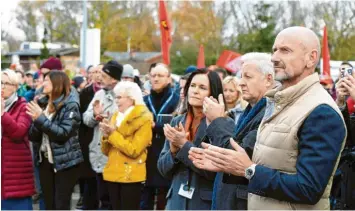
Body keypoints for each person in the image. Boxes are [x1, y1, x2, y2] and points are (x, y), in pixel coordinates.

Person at [191, 26, 347, 210]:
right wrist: (225, 163)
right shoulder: (279, 102)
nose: (274, 57)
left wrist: (248, 170)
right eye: (274, 50)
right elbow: (265, 163)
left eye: (285, 50)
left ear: (311, 58)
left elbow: (309, 189)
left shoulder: (321, 111)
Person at [189, 53, 275, 210]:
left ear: (268, 79)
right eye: (241, 77)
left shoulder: (269, 114)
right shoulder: (252, 110)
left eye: (248, 77)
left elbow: (235, 154)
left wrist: (217, 120)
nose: (241, 83)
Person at [157, 69, 225, 210]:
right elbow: (163, 169)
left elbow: (213, 171)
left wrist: (183, 145)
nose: (195, 91)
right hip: (175, 201)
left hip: (202, 204)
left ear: (213, 93)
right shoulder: (178, 120)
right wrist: (173, 151)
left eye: (202, 88)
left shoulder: (221, 124)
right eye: (192, 86)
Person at [27, 71, 84, 210]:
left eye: (46, 80)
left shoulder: (71, 105)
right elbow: (32, 136)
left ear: (57, 83)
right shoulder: (43, 103)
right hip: (45, 161)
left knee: (61, 205)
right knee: (48, 204)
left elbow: (62, 134)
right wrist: (37, 120)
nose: (42, 83)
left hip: (65, 163)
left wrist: (40, 119)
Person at [99, 81, 153, 210]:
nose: (116, 101)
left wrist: (112, 134)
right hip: (113, 173)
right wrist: (106, 135)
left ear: (132, 98)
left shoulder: (144, 118)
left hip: (131, 175)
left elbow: (134, 150)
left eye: (119, 97)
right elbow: (106, 151)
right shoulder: (116, 116)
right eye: (115, 97)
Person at [83, 60, 123, 210]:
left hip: (117, 155)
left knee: (116, 202)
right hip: (99, 154)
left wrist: (108, 119)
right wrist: (94, 115)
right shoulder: (99, 94)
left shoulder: (124, 95)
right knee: (104, 199)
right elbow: (86, 119)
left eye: (104, 75)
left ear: (113, 78)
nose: (99, 78)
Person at [140, 63, 180, 210]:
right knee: (145, 196)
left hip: (167, 151)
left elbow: (178, 125)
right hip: (147, 153)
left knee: (164, 196)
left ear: (169, 79)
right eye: (153, 75)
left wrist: (154, 126)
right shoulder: (143, 101)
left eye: (160, 75)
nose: (156, 79)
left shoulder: (177, 101)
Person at [1, 70, 35, 210]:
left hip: (15, 170)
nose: (1, 87)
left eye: (4, 83)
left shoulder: (23, 106)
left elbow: (18, 133)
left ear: (15, 86)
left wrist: (2, 114)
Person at [77, 64, 103, 210]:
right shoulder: (84, 94)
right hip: (88, 141)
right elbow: (80, 121)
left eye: (100, 72)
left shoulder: (112, 93)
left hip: (105, 143)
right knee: (90, 182)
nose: (98, 75)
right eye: (94, 72)